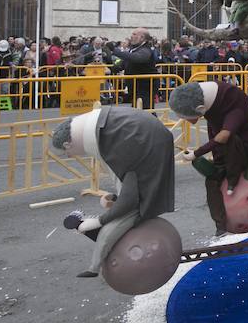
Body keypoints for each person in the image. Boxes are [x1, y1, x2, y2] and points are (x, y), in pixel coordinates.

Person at [51, 106, 175, 277]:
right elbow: (124, 180)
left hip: (147, 148)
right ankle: (98, 249)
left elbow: (129, 198)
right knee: (121, 212)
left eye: (67, 153)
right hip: (148, 143)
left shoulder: (115, 140)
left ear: (67, 144)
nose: (70, 157)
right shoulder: (104, 133)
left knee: (116, 224)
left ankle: (93, 268)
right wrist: (117, 198)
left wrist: (100, 221)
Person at [170, 81, 248, 236]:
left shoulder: (232, 100)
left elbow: (224, 136)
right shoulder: (210, 106)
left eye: (187, 117)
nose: (187, 121)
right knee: (212, 180)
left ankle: (232, 183)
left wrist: (197, 153)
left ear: (200, 108)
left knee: (229, 138)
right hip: (224, 155)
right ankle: (221, 226)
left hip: (244, 152)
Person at [110, 28, 157, 110]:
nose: (131, 36)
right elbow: (125, 63)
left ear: (142, 38)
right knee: (137, 110)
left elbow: (137, 58)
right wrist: (110, 68)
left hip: (145, 86)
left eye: (134, 34)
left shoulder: (146, 49)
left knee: (145, 111)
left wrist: (115, 51)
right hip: (135, 86)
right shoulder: (134, 49)